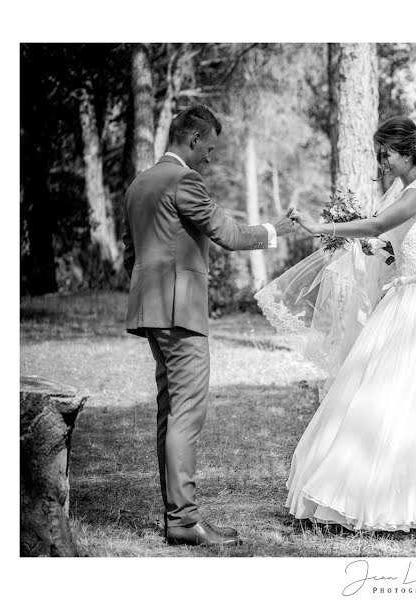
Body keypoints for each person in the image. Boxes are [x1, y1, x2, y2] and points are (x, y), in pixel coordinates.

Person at [275, 116, 416, 532]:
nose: (383, 161)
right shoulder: (402, 191)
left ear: (409, 150)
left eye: (387, 153)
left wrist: (320, 227)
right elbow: (387, 240)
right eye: (381, 153)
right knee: (381, 393)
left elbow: (382, 224)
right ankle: (373, 489)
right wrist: (369, 246)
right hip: (404, 295)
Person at [122, 104, 294, 546]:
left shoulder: (139, 183)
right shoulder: (183, 180)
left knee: (170, 413)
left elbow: (131, 254)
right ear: (193, 138)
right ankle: (183, 521)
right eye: (209, 148)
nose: (210, 158)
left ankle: (178, 515)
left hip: (151, 312)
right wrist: (278, 230)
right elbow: (230, 236)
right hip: (180, 313)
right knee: (187, 415)